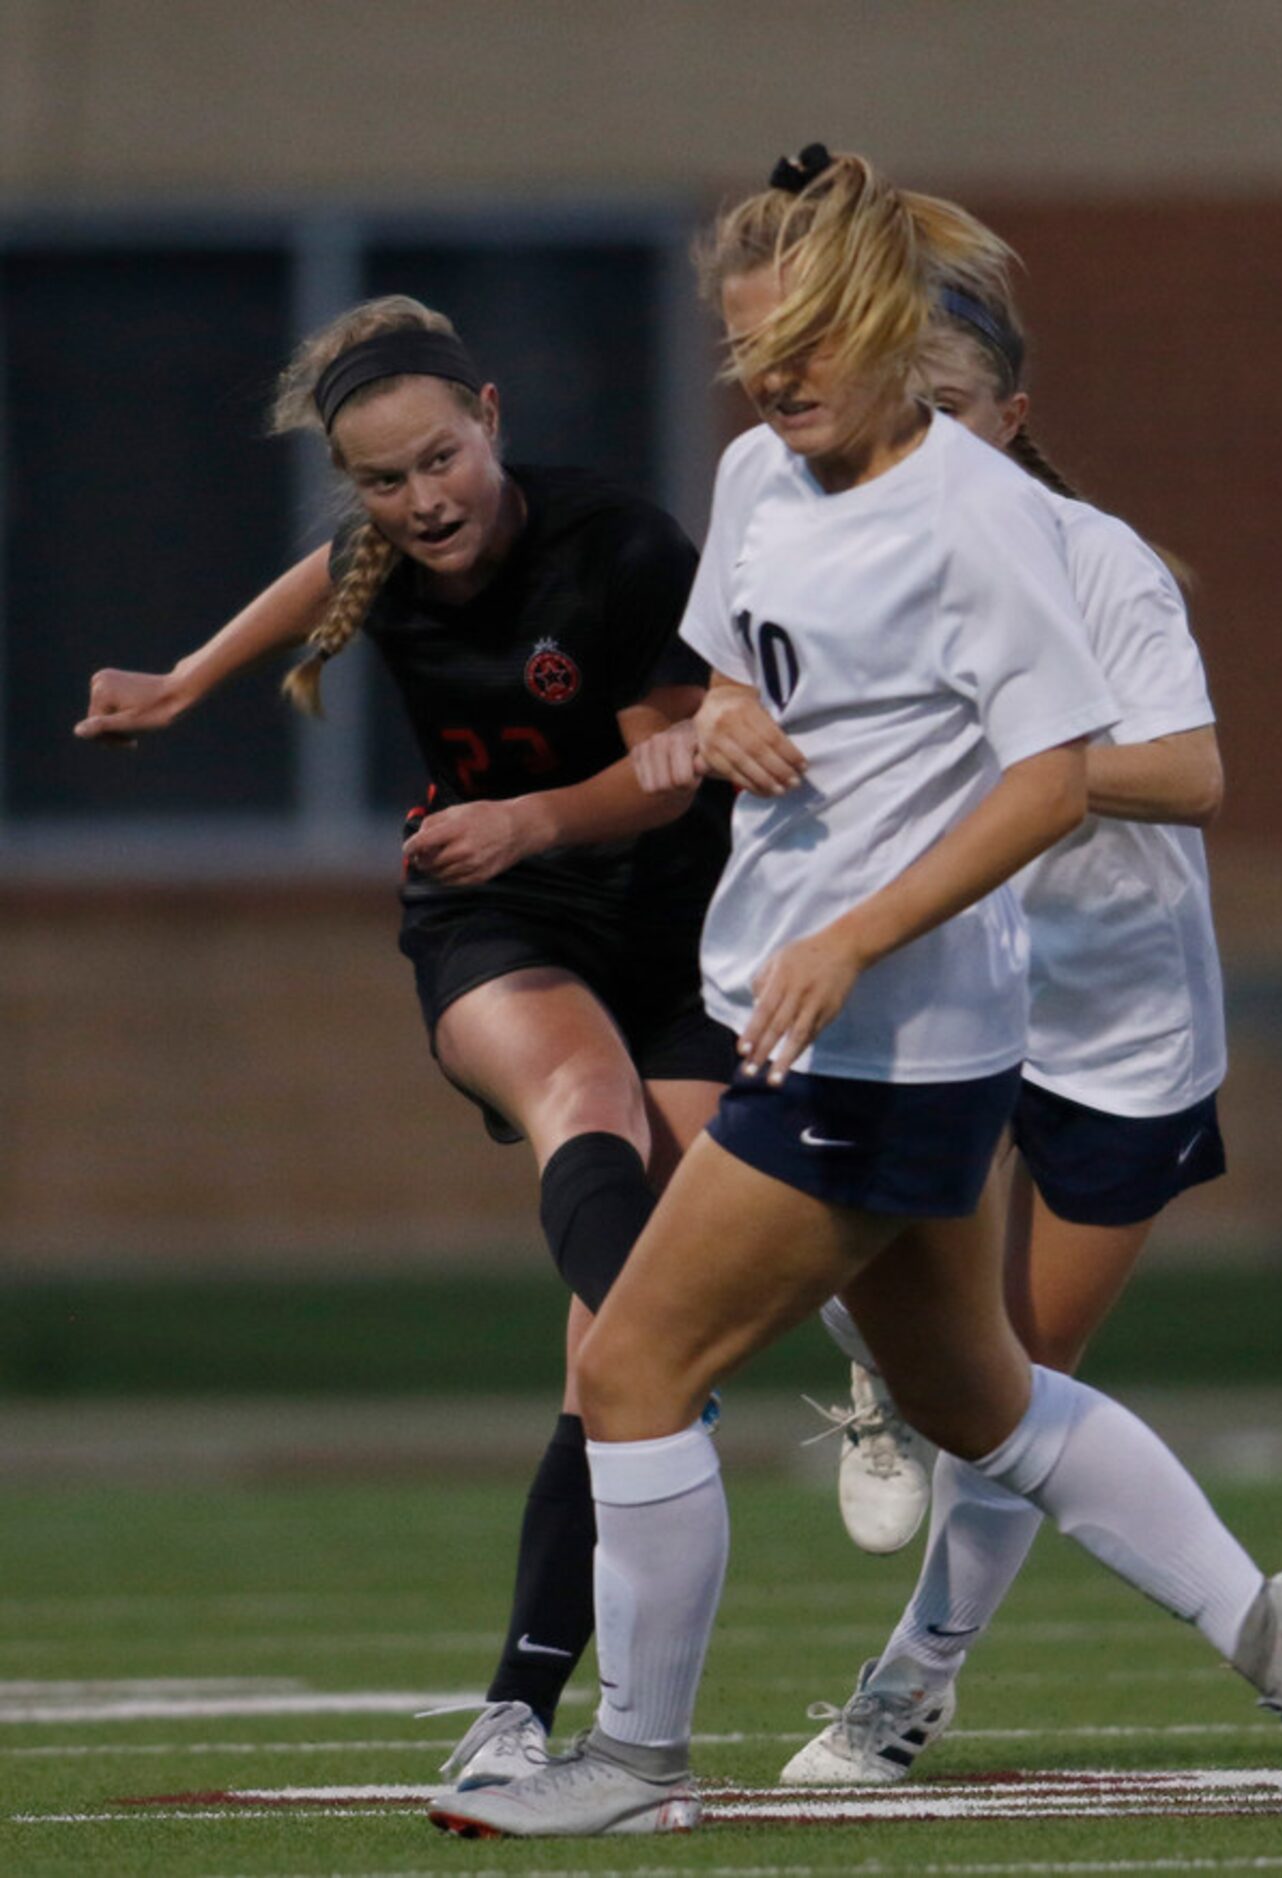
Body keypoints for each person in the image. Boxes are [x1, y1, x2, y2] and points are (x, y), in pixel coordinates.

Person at [425, 147, 1282, 1841]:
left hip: (883, 1039)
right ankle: (1272, 1623)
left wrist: (859, 931)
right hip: (822, 1020)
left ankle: (639, 1763)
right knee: (982, 1399)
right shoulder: (756, 472)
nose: (774, 378)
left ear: (883, 322)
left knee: (635, 1369)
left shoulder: (986, 516)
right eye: (750, 350)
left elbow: (1051, 780)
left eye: (801, 342)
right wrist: (716, 720)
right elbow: (734, 674)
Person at [74, 295, 733, 1792]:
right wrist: (185, 682)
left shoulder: (617, 541)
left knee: (600, 1364)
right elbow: (325, 580)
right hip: (497, 919)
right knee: (587, 1108)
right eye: (383, 479)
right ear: (355, 488)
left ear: (491, 418)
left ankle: (535, 1699)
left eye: (442, 459)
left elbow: (673, 773)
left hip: (686, 929)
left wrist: (531, 815)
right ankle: (682, 1354)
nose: (423, 500)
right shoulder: (384, 555)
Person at [709, 253, 1232, 1783]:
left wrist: (1014, 751)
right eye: (904, 398)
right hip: (944, 982)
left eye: (955, 404)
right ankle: (880, 1360)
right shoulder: (828, 528)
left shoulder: (1093, 559)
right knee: (873, 1284)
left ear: (1013, 415)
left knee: (1021, 1388)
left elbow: (1192, 775)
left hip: (1116, 1006)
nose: (926, 430)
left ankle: (912, 1684)